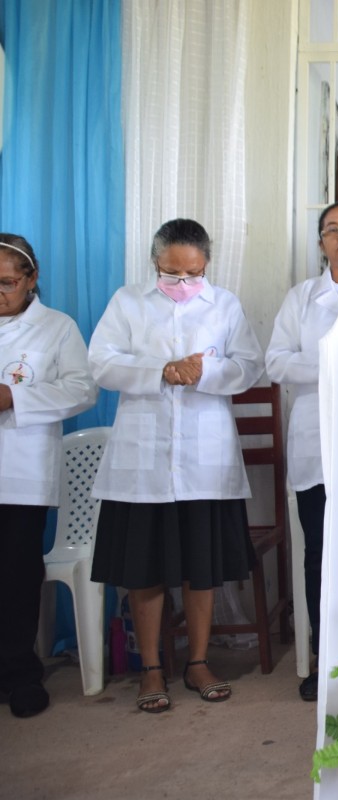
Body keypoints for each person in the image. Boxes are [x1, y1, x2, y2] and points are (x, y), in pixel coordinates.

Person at [89, 219, 264, 713]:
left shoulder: (225, 304)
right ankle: (151, 668)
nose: (183, 284)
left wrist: (202, 371)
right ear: (155, 263)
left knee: (200, 567)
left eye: (193, 274)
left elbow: (249, 366)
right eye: (172, 273)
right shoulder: (128, 302)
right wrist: (159, 371)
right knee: (145, 569)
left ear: (206, 265)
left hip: (204, 459)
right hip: (142, 459)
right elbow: (100, 362)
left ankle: (199, 661)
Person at [266, 201, 338, 702]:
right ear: (321, 244)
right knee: (322, 554)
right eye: (332, 229)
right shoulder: (302, 298)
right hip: (318, 444)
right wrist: (334, 365)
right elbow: (276, 362)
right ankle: (326, 659)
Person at [0, 235, 97, 718]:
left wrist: (14, 398)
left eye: (7, 283)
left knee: (16, 574)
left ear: (31, 279)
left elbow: (82, 390)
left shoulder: (56, 328)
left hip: (20, 472)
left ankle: (20, 674)